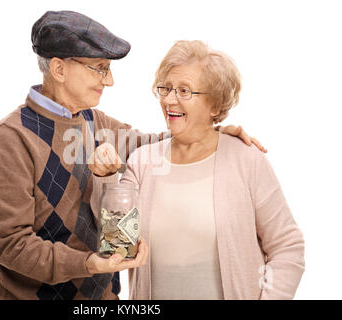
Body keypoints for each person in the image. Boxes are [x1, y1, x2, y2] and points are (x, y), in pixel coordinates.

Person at [0, 10, 265, 300]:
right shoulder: (11, 139)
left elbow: (152, 143)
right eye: (100, 68)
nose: (110, 80)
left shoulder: (95, 122)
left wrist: (211, 131)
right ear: (59, 69)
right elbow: (11, 246)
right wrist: (88, 263)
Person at [90, 40, 304, 300]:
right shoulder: (142, 161)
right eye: (165, 88)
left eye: (184, 91)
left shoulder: (247, 160)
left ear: (214, 105)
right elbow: (116, 245)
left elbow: (287, 247)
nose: (169, 100)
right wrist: (105, 175)